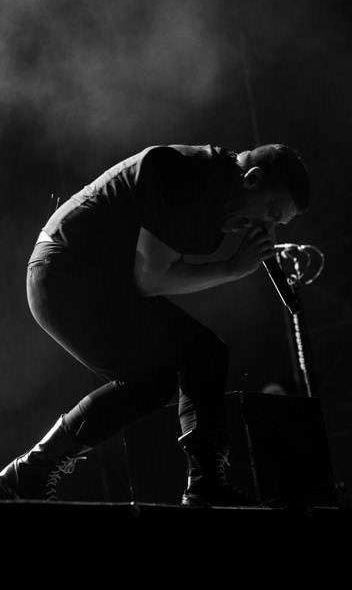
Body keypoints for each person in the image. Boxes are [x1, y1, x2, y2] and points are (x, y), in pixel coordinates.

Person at [0, 142, 309, 506]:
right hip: (65, 276)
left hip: (99, 282)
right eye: (271, 213)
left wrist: (232, 263)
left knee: (159, 379)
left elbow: (148, 277)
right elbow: (151, 278)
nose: (266, 228)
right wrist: (231, 268)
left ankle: (32, 471)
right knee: (201, 354)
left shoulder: (215, 195)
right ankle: (205, 484)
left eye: (276, 224)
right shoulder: (189, 176)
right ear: (252, 179)